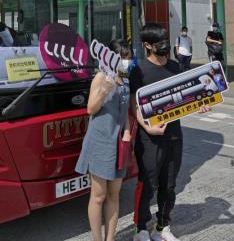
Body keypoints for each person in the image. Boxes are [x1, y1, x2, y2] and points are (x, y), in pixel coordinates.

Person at [132, 23, 210, 241]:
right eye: (160, 43)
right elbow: (134, 106)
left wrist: (201, 104)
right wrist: (147, 127)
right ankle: (140, 228)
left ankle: (163, 227)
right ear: (148, 45)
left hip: (174, 135)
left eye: (166, 40)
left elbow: (187, 97)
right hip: (149, 138)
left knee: (170, 185)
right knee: (148, 184)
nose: (165, 45)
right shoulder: (139, 70)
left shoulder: (176, 68)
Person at [75, 39, 131, 241]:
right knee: (98, 196)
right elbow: (90, 109)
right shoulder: (100, 77)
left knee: (114, 195)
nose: (126, 62)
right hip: (100, 141)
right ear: (111, 58)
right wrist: (105, 89)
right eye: (123, 58)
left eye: (128, 58)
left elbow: (126, 110)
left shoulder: (125, 77)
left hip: (119, 143)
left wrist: (127, 131)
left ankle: (110, 238)